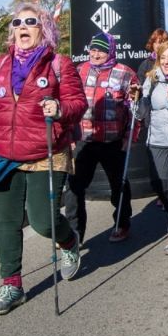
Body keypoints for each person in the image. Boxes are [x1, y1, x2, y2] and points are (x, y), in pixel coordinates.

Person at [0, 6, 86, 315]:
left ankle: (69, 243)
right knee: (5, 222)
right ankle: (11, 285)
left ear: (43, 29)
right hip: (4, 152)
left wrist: (59, 108)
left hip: (46, 150)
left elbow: (77, 103)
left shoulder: (59, 64)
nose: (23, 26)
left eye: (31, 22)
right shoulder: (2, 64)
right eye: (17, 22)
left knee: (44, 221)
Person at [70, 32, 139, 243]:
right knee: (74, 187)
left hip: (113, 141)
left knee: (119, 185)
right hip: (84, 139)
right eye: (93, 49)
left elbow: (134, 110)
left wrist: (130, 136)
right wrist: (68, 134)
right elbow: (70, 102)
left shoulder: (125, 73)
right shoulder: (79, 70)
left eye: (100, 49)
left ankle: (122, 223)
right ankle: (74, 233)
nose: (96, 53)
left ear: (110, 51)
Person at [137, 38, 168, 254]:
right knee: (162, 186)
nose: (166, 61)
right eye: (163, 57)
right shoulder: (152, 79)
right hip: (157, 139)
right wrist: (135, 100)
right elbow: (141, 112)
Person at [137, 28, 168, 211]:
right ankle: (163, 195)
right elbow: (141, 94)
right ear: (152, 44)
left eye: (164, 40)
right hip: (152, 122)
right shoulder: (146, 65)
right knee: (157, 172)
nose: (159, 44)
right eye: (156, 41)